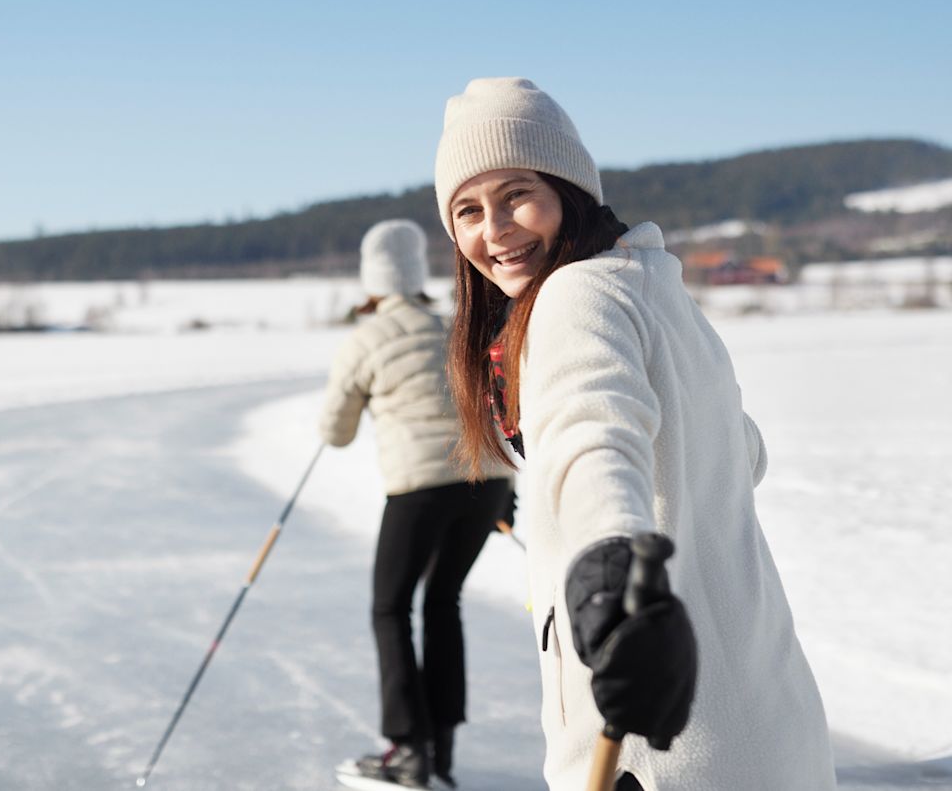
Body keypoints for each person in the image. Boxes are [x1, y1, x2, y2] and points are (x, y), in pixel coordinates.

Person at [433, 77, 837, 790]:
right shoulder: (652, 285)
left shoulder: (574, 294)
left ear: (568, 188)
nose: (493, 229)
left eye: (516, 193)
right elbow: (741, 449)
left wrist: (609, 569)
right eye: (468, 208)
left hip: (663, 748)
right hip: (770, 726)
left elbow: (595, 434)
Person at [320, 219, 516, 789]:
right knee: (443, 601)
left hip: (421, 488)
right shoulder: (453, 326)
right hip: (488, 482)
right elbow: (494, 408)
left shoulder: (366, 338)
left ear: (372, 281)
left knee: (391, 608)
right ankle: (441, 751)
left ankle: (408, 750)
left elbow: (335, 432)